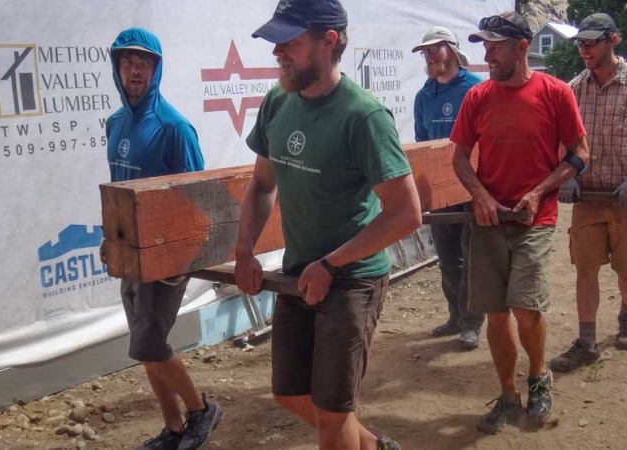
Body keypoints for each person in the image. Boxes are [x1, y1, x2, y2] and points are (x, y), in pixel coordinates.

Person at [234, 1, 421, 449]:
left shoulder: (364, 116)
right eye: (276, 40)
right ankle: (375, 446)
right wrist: (244, 250)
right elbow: (262, 185)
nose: (278, 50)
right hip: (300, 272)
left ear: (328, 40)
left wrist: (332, 263)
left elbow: (406, 213)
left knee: (333, 412)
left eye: (290, 41)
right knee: (289, 394)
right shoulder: (278, 101)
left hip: (351, 277)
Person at [451, 11, 589, 435]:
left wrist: (538, 191)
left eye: (494, 46)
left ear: (521, 47)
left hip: (536, 218)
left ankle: (539, 376)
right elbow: (459, 158)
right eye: (484, 46)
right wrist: (481, 196)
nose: (487, 54)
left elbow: (579, 154)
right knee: (495, 314)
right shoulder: (477, 98)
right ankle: (508, 395)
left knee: (527, 310)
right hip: (490, 220)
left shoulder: (555, 92)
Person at [104, 28, 220, 450]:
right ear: (117, 67)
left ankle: (201, 411)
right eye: (127, 61)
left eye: (144, 62)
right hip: (130, 256)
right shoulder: (115, 124)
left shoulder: (174, 127)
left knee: (148, 344)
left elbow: (199, 199)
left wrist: (181, 254)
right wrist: (112, 239)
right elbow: (119, 190)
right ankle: (173, 430)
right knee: (145, 347)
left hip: (166, 258)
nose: (135, 69)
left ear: (156, 69)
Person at [551, 13, 627, 373]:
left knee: (626, 266)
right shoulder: (574, 88)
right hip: (590, 195)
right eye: (580, 43)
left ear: (613, 40)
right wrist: (567, 176)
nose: (584, 49)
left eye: (591, 42)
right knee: (585, 268)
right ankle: (587, 341)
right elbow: (564, 138)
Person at [411, 26, 485, 350]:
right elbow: (423, 146)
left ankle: (471, 324)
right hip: (440, 193)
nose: (429, 56)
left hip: (472, 189)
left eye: (434, 49)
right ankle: (455, 316)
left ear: (452, 50)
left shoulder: (476, 90)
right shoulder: (423, 97)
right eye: (425, 52)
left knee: (472, 257)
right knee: (448, 258)